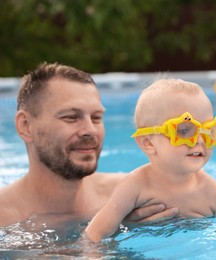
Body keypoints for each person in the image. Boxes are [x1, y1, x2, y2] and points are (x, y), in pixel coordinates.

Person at [0, 63, 179, 228]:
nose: (90, 130)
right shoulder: (5, 218)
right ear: (25, 126)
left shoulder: (130, 195)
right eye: (71, 117)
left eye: (96, 118)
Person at [85, 78, 216, 243]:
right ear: (148, 143)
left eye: (209, 131)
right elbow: (95, 233)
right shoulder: (135, 186)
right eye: (185, 130)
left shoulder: (211, 190)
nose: (200, 141)